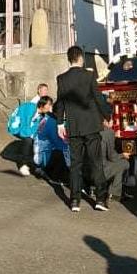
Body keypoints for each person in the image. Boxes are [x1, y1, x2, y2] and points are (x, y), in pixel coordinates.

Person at [54, 45, 112, 212]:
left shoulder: (61, 78)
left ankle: (74, 201)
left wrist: (60, 123)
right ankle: (100, 199)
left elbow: (61, 102)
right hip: (91, 124)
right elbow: (98, 98)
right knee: (96, 162)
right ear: (80, 58)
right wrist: (107, 116)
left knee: (75, 165)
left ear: (69, 58)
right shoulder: (89, 75)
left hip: (73, 126)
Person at [33, 96, 69, 182]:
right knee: (65, 152)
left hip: (40, 152)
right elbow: (59, 142)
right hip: (45, 155)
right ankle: (54, 176)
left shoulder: (46, 118)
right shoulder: (52, 122)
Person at [7, 94, 41, 176]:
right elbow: (25, 126)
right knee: (28, 140)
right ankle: (23, 164)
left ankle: (37, 165)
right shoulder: (30, 108)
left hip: (29, 128)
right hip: (19, 128)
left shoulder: (43, 111)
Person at [99, 118, 131, 202]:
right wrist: (123, 155)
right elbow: (112, 157)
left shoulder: (91, 129)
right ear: (105, 121)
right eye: (112, 120)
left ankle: (114, 192)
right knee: (124, 164)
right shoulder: (109, 132)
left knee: (118, 166)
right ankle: (114, 193)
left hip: (88, 168)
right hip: (101, 169)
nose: (113, 122)